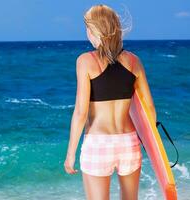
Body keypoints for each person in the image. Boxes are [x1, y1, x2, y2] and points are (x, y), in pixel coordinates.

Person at [64, 4, 157, 200]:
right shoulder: (134, 61)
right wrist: (149, 144)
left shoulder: (85, 61)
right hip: (129, 142)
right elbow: (149, 109)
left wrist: (70, 154)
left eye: (87, 27)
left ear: (92, 31)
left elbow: (81, 112)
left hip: (98, 144)